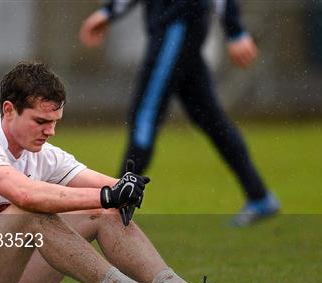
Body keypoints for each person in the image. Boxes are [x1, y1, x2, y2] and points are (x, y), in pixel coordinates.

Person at [0, 61, 244, 283]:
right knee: (30, 212)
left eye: (55, 122)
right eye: (41, 121)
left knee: (104, 211)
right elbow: (24, 195)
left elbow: (101, 188)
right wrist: (106, 194)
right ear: (9, 110)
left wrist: (124, 188)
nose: (50, 132)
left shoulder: (39, 151)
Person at [79, 0, 280, 226]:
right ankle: (259, 195)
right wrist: (110, 11)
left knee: (146, 114)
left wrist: (234, 29)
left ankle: (117, 203)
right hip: (176, 21)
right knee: (209, 117)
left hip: (178, 20)